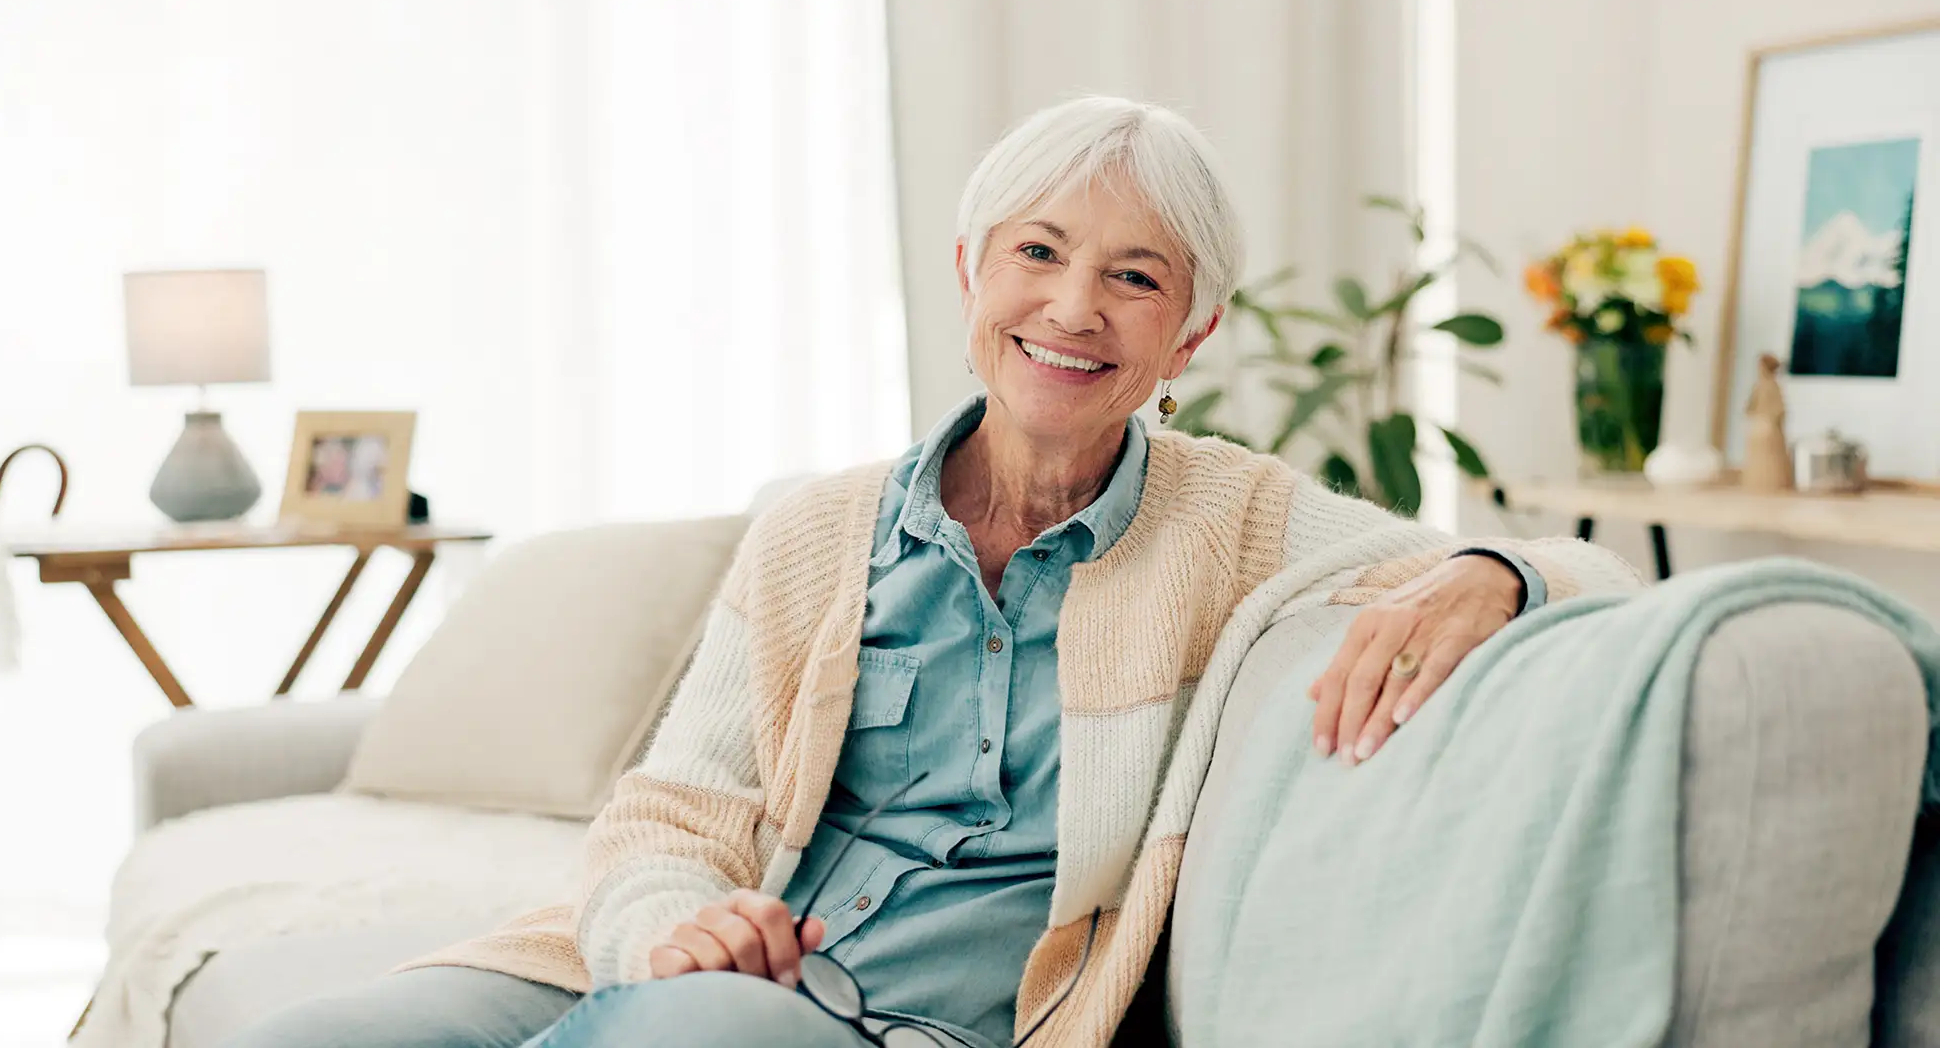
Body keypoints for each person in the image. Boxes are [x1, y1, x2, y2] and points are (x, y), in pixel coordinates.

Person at [224, 96, 1633, 1048]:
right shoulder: (816, 532)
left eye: (1137, 279)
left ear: (1190, 337)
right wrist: (668, 924)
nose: (1075, 307)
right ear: (970, 270)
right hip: (694, 973)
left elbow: (1600, 576)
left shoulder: (1236, 519)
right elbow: (672, 807)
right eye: (1040, 251)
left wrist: (1496, 572)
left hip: (879, 1023)